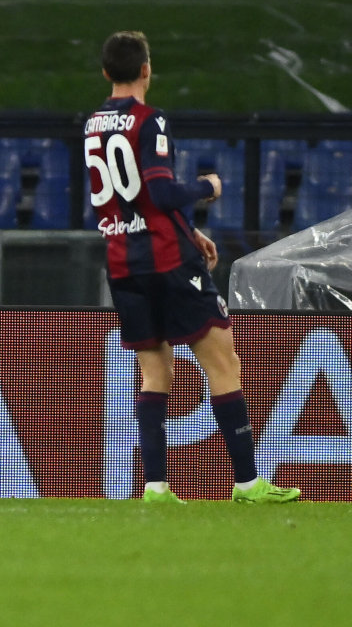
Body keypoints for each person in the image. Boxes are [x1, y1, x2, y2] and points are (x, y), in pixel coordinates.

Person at [86, 31, 300, 504]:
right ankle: (247, 482)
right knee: (224, 363)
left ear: (106, 73)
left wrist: (187, 228)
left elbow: (132, 196)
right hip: (167, 259)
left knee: (154, 372)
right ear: (146, 70)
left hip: (123, 261)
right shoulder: (150, 120)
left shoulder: (92, 125)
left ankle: (156, 487)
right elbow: (160, 192)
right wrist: (206, 188)